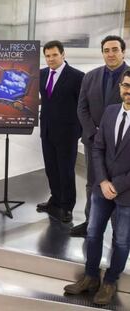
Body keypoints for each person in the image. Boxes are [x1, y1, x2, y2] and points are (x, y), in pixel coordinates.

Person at [64, 69, 130, 305]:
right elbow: (98, 148)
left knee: (122, 241)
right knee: (93, 234)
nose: (128, 91)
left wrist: (116, 185)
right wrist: (102, 181)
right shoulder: (111, 112)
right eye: (126, 86)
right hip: (102, 188)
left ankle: (110, 282)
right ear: (121, 87)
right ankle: (90, 277)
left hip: (126, 193)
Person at [71, 35, 128, 237]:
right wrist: (92, 133)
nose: (110, 54)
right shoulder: (90, 76)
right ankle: (90, 223)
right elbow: (82, 108)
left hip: (123, 144)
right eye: (106, 50)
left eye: (115, 49)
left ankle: (118, 230)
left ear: (123, 51)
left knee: (120, 185)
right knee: (93, 183)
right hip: (94, 141)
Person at [36, 40, 84, 223]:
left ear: (63, 55)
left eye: (54, 55)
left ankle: (67, 206)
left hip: (67, 133)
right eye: (47, 56)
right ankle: (55, 200)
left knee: (66, 171)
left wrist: (77, 131)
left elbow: (82, 107)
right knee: (51, 169)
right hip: (47, 131)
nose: (50, 59)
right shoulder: (41, 74)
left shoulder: (77, 76)